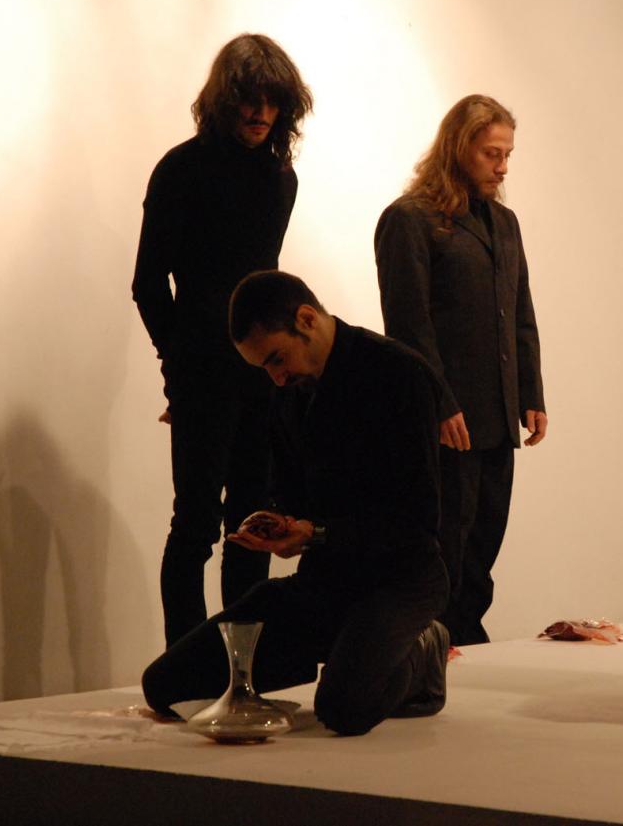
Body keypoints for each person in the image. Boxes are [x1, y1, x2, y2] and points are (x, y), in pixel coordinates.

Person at [141, 270, 450, 736]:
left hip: (400, 580)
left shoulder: (399, 373)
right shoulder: (289, 393)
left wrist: (317, 533)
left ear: (307, 319)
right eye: (264, 368)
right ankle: (352, 647)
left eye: (277, 359)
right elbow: (292, 493)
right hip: (324, 581)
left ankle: (424, 649)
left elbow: (418, 520)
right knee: (164, 685)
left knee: (344, 708)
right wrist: (280, 524)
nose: (276, 377)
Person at [131, 33, 314, 646]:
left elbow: (262, 281)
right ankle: (185, 673)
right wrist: (178, 367)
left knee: (252, 528)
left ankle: (244, 670)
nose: (261, 114)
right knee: (195, 525)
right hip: (204, 373)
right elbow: (148, 283)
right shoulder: (181, 170)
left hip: (263, 377)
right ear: (224, 101)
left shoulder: (280, 178)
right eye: (249, 101)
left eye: (272, 102)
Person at [373, 94, 547, 646]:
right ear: (458, 148)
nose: (502, 167)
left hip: (496, 415)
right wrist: (439, 403)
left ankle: (467, 640)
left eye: (508, 154)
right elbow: (408, 326)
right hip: (445, 419)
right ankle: (433, 647)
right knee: (443, 543)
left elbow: (520, 313)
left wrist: (531, 393)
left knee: (483, 542)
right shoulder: (410, 220)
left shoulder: (504, 223)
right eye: (492, 154)